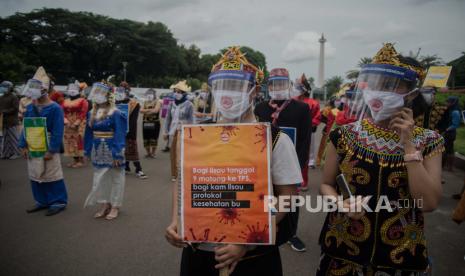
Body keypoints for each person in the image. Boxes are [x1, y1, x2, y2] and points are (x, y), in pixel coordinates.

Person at [165, 46, 302, 276]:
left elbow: (287, 197)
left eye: (235, 86)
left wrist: (246, 241)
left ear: (254, 91)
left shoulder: (274, 139)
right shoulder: (195, 137)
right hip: (200, 252)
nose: (227, 94)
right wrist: (176, 221)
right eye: (221, 86)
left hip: (253, 257)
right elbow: (182, 183)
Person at [317, 43, 444, 275]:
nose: (377, 92)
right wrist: (340, 203)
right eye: (374, 84)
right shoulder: (344, 135)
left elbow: (428, 203)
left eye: (389, 86)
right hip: (343, 251)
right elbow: (326, 184)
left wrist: (408, 145)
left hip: (400, 256)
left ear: (411, 93)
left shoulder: (429, 141)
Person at [254, 67, 311, 252]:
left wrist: (300, 169)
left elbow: (304, 140)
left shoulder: (301, 108)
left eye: (282, 83)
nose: (278, 87)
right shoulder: (260, 107)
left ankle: (291, 234)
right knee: (267, 198)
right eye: (274, 83)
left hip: (290, 165)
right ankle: (265, 227)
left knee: (290, 199)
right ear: (268, 86)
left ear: (289, 85)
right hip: (264, 164)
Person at [18, 66, 68, 216]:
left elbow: (58, 131)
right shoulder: (30, 107)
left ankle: (58, 201)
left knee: (51, 173)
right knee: (35, 174)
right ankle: (41, 201)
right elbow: (25, 127)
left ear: (44, 89)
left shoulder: (55, 108)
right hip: (33, 143)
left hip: (47, 144)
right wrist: (23, 145)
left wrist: (51, 150)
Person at [84, 82, 127, 220]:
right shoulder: (91, 113)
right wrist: (86, 151)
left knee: (116, 178)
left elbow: (120, 134)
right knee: (100, 178)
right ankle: (104, 204)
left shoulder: (116, 113)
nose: (96, 95)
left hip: (112, 148)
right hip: (97, 149)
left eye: (100, 93)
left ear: (108, 95)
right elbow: (88, 133)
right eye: (95, 92)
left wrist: (117, 154)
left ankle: (115, 205)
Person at [115, 81, 147, 179]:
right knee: (121, 149)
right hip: (118, 130)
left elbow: (133, 120)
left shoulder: (134, 104)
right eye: (119, 91)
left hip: (129, 130)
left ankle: (138, 169)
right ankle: (126, 167)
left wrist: (129, 131)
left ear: (127, 92)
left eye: (123, 91)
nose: (121, 93)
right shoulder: (116, 103)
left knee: (132, 149)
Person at [163, 80, 194, 181]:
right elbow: (168, 119)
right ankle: (174, 174)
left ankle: (184, 173)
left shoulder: (189, 105)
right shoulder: (172, 104)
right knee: (173, 153)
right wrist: (165, 131)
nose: (177, 94)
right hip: (173, 131)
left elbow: (191, 120)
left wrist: (190, 132)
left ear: (184, 93)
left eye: (179, 92)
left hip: (183, 131)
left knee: (183, 153)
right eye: (175, 91)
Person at [294, 74, 321, 172]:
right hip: (295, 128)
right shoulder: (292, 101)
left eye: (298, 87)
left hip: (308, 129)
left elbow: (317, 116)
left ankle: (311, 162)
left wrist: (309, 125)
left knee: (310, 146)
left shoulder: (313, 102)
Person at [62, 81, 89, 168]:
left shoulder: (83, 101)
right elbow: (63, 111)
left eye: (74, 89)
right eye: (71, 89)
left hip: (79, 123)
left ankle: (80, 160)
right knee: (70, 140)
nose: (72, 91)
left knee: (78, 140)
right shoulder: (65, 101)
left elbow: (83, 112)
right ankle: (74, 159)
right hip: (68, 123)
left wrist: (77, 122)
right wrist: (65, 120)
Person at [0, 81, 21, 159]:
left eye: (4, 86)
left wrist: (4, 111)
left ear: (9, 88)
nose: (2, 88)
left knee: (14, 138)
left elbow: (15, 109)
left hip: (12, 121)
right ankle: (6, 153)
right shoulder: (1, 98)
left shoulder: (14, 97)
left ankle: (16, 153)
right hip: (3, 121)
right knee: (5, 138)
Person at [140, 88, 161, 158]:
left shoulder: (157, 102)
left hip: (155, 123)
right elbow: (141, 110)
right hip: (146, 123)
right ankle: (148, 153)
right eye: (148, 94)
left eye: (151, 94)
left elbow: (156, 111)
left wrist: (146, 111)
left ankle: (153, 153)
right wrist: (150, 110)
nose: (149, 96)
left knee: (154, 138)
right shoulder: (145, 102)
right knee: (146, 138)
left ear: (154, 95)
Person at [443, 96, 461, 172]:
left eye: (448, 102)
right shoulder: (450, 110)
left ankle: (450, 167)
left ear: (453, 103)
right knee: (445, 149)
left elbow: (455, 124)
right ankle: (445, 165)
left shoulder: (455, 112)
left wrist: (446, 130)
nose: (446, 103)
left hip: (450, 133)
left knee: (449, 150)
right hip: (447, 132)